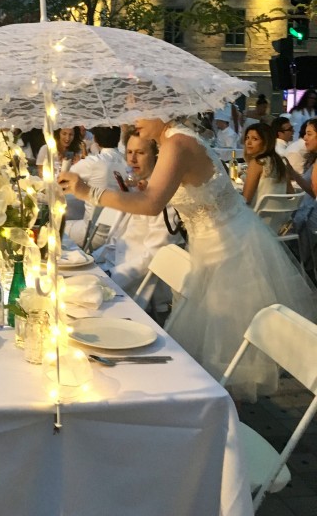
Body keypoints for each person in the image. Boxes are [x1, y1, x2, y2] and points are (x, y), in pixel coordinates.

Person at [59, 115, 317, 401]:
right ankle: (208, 407)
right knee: (209, 345)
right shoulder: (172, 140)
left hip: (228, 249)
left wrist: (87, 192)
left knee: (222, 343)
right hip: (211, 246)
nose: (134, 119)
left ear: (164, 108)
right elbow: (181, 190)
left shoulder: (177, 143)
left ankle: (214, 414)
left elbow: (151, 205)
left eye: (141, 109)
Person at [92, 132, 184, 311]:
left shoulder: (164, 198)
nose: (133, 159)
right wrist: (93, 261)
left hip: (136, 285)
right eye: (129, 152)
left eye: (140, 153)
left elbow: (155, 255)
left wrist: (112, 276)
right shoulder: (135, 188)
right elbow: (117, 239)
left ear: (156, 156)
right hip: (111, 268)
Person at [64, 126, 125, 250]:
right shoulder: (127, 162)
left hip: (91, 234)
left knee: (52, 225)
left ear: (95, 139)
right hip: (117, 235)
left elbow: (63, 181)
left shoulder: (92, 162)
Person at [242, 122, 292, 206]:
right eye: (247, 138)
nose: (248, 142)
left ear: (266, 142)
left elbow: (245, 199)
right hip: (279, 217)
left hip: (256, 216)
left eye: (255, 139)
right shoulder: (280, 162)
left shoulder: (257, 163)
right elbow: (291, 193)